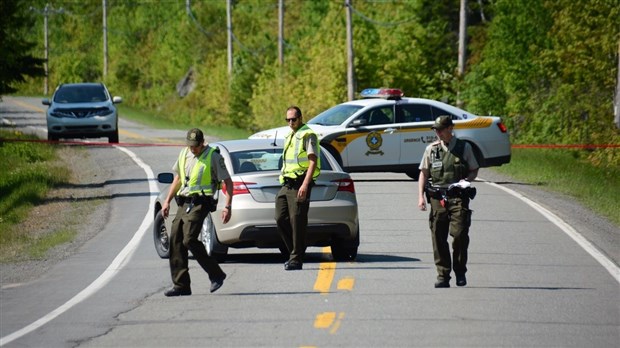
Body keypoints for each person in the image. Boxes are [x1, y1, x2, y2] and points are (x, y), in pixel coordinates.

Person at [161, 128, 233, 296]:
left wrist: (228, 206)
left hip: (201, 202)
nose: (193, 149)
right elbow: (177, 179)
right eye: (190, 146)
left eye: (196, 146)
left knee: (189, 239)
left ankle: (216, 274)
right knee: (176, 238)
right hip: (184, 202)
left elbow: (228, 183)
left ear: (202, 143)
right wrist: (166, 201)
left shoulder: (213, 156)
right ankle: (181, 285)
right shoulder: (184, 154)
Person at [417, 116, 479, 288]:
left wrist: (466, 181)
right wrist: (420, 197)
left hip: (458, 196)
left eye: (441, 129)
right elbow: (423, 173)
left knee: (459, 234)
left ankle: (460, 271)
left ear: (450, 128)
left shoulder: (464, 147)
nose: (437, 132)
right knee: (438, 236)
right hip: (437, 198)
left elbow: (474, 169)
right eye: (436, 130)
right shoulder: (431, 150)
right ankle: (443, 275)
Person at [275, 106, 320, 270]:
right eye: (288, 120)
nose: (291, 122)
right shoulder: (289, 135)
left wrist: (305, 185)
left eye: (294, 119)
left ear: (300, 118)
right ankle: (296, 251)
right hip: (287, 184)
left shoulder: (308, 134)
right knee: (280, 218)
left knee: (297, 221)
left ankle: (296, 259)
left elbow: (312, 161)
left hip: (300, 183)